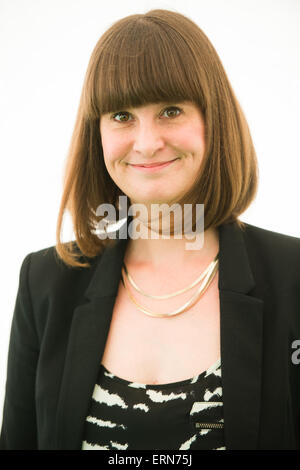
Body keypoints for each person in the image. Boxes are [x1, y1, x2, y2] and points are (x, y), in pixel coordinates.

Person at [1, 8, 300, 451]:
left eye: (171, 110)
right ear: (97, 133)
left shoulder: (294, 276)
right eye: (121, 115)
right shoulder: (45, 282)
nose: (146, 142)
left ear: (212, 120)